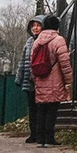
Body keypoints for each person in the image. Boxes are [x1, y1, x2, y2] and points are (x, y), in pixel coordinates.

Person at [27, 14, 72, 145]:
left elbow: (32, 62)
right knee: (52, 110)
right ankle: (49, 138)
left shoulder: (37, 41)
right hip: (55, 80)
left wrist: (35, 78)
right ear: (57, 26)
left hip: (40, 79)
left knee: (41, 109)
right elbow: (65, 63)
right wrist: (68, 80)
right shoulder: (59, 40)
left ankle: (40, 138)